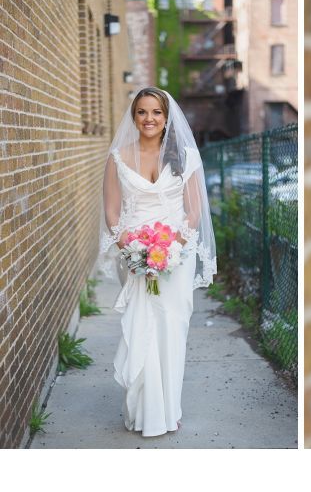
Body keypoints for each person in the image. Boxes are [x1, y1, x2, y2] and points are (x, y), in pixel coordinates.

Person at [99, 87, 217, 437]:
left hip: (175, 254)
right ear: (133, 117)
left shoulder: (186, 156)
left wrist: (170, 249)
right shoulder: (118, 157)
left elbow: (193, 212)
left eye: (156, 112)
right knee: (143, 327)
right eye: (141, 112)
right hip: (134, 255)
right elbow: (111, 210)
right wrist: (132, 248)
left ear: (167, 118)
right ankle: (142, 411)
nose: (149, 118)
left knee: (172, 326)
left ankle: (169, 409)